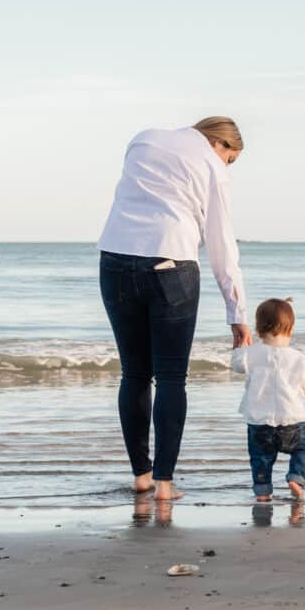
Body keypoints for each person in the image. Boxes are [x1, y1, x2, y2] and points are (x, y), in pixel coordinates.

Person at [97, 117, 253, 502]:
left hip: (115, 259)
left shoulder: (142, 139)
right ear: (220, 144)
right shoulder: (213, 167)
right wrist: (237, 312)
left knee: (134, 373)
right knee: (171, 378)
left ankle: (141, 476)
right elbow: (221, 244)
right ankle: (165, 485)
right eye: (230, 158)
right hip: (172, 263)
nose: (227, 165)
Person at [231, 298, 305, 502]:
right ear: (290, 329)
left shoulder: (250, 354)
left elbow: (236, 365)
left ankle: (263, 492)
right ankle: (295, 477)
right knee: (302, 448)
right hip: (291, 420)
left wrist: (239, 345)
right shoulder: (298, 358)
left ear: (258, 329)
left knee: (260, 459)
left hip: (259, 421)